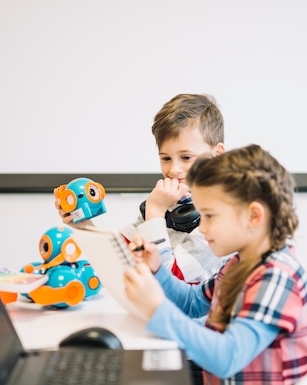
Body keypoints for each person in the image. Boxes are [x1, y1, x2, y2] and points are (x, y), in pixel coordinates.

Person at [123, 144, 307, 385]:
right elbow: (192, 303)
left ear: (253, 216)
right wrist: (157, 269)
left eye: (210, 216)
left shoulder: (277, 278)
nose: (202, 227)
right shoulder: (241, 263)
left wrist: (156, 311)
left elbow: (227, 356)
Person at [55, 93, 226, 285]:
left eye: (186, 157)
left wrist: (155, 212)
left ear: (216, 154)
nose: (173, 170)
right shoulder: (169, 202)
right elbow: (122, 255)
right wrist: (83, 225)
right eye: (165, 158)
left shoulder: (221, 218)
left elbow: (170, 281)